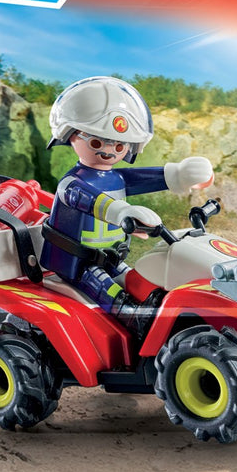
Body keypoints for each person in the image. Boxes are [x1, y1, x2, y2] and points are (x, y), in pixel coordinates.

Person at [40, 76, 213, 336]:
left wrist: (178, 174)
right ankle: (139, 327)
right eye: (97, 142)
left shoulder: (115, 178)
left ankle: (158, 317)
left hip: (110, 258)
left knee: (140, 284)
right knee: (113, 295)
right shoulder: (72, 184)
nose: (109, 151)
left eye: (119, 145)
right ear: (70, 134)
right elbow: (91, 200)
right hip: (77, 264)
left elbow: (143, 178)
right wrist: (122, 212)